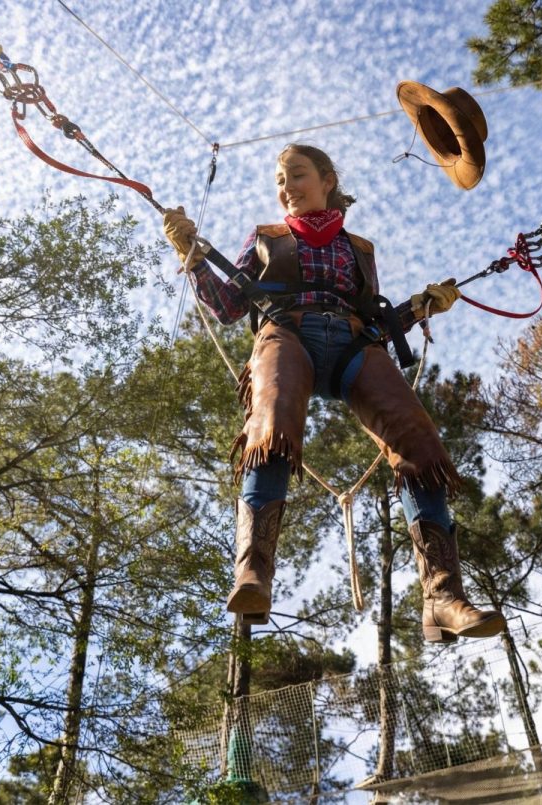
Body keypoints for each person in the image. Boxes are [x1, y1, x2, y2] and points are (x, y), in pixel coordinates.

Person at [163, 143, 504, 643]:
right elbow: (229, 307)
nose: (287, 188)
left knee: (419, 441)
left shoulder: (359, 249)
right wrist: (192, 256)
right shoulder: (265, 238)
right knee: (272, 422)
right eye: (280, 181)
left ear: (327, 180)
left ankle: (442, 596)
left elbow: (374, 320)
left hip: (353, 346)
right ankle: (253, 573)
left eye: (297, 175)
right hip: (288, 335)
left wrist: (420, 308)